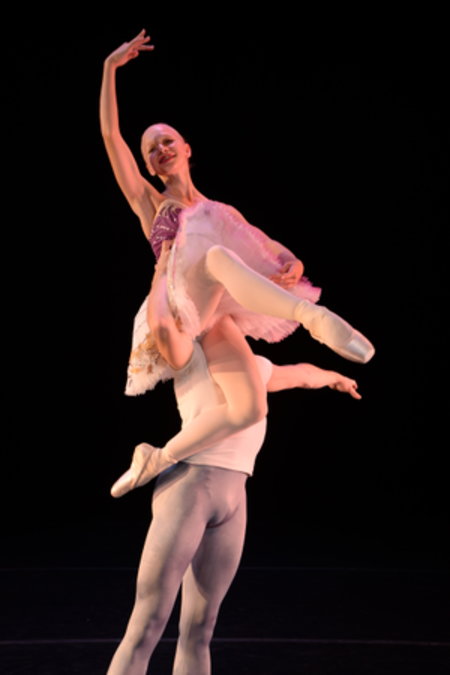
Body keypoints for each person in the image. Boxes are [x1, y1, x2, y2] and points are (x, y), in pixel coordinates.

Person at [100, 29, 375, 477]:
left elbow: (267, 244)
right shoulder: (151, 202)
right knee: (214, 258)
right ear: (147, 165)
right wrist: (110, 68)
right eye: (151, 149)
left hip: (213, 314)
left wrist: (293, 263)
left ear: (186, 149)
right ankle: (311, 317)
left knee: (250, 407)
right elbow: (111, 136)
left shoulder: (221, 211)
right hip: (176, 306)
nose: (161, 150)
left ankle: (158, 457)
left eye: (167, 141)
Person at [106, 316, 362, 674]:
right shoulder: (189, 350)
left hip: (234, 497)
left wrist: (334, 377)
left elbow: (300, 374)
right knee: (148, 622)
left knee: (200, 629)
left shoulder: (251, 366)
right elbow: (164, 326)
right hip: (190, 489)